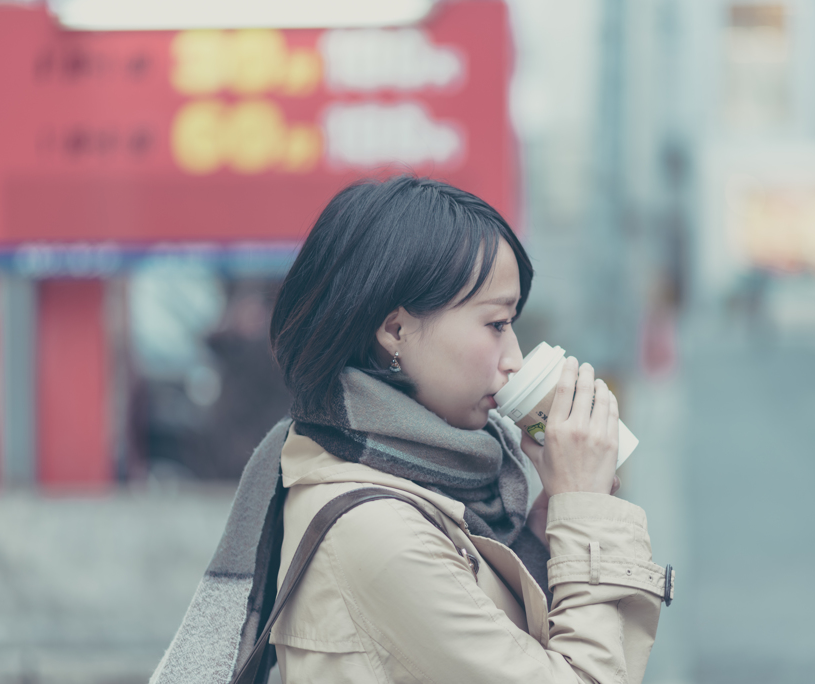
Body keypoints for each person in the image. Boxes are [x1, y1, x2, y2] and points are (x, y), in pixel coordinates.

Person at [263, 177, 667, 682]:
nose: (515, 359)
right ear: (395, 331)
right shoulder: (379, 531)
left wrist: (546, 531)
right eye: (496, 324)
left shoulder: (433, 490)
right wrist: (588, 512)